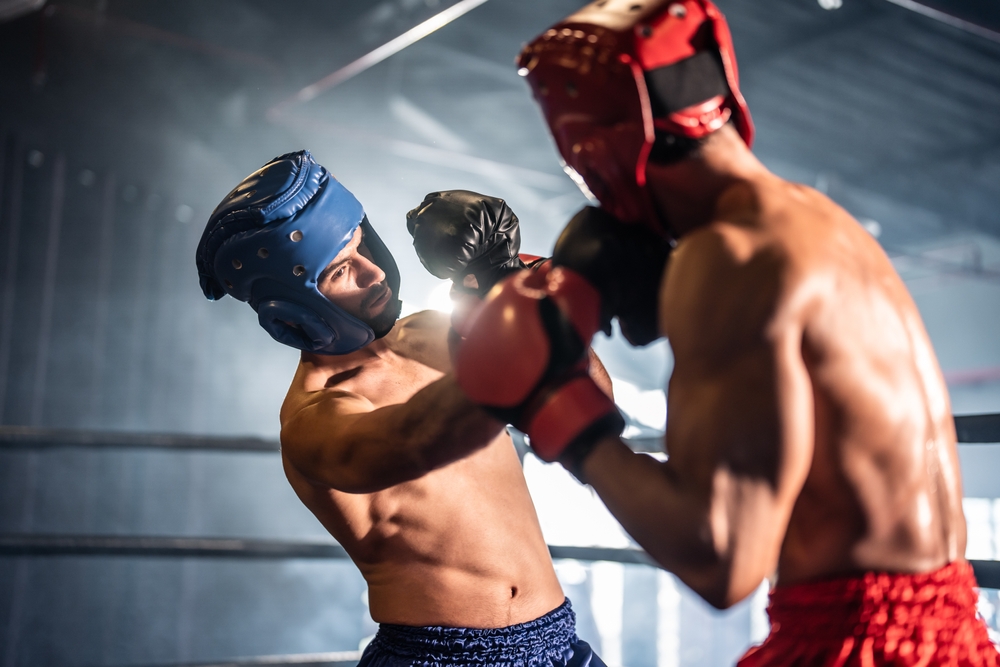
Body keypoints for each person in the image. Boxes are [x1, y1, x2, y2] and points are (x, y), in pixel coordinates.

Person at [447, 1, 1000, 664]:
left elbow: (723, 561)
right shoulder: (820, 220)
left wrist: (557, 409)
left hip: (850, 644)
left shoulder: (728, 256)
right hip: (954, 632)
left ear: (589, 147)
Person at [195, 151, 607, 667]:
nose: (373, 272)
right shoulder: (315, 418)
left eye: (363, 242)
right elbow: (418, 440)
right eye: (342, 268)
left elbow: (591, 404)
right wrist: (525, 316)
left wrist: (508, 282)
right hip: (436, 659)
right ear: (290, 308)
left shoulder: (439, 331)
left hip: (559, 641)